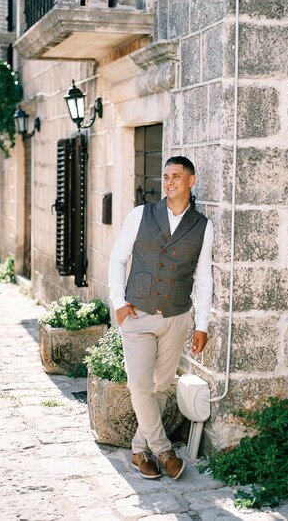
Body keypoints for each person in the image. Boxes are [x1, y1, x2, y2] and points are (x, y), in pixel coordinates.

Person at [109, 156, 213, 480]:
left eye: (176, 177)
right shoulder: (141, 215)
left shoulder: (203, 226)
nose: (169, 182)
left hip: (176, 317)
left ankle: (140, 451)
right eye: (165, 177)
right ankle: (164, 450)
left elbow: (204, 277)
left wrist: (202, 324)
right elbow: (117, 258)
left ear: (191, 181)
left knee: (161, 386)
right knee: (139, 383)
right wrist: (119, 305)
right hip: (137, 315)